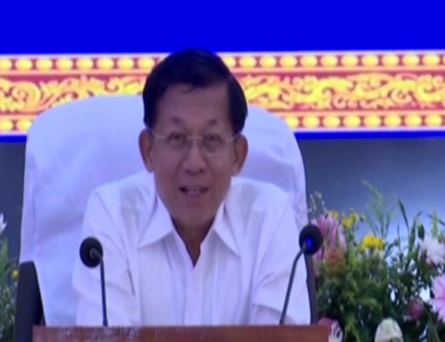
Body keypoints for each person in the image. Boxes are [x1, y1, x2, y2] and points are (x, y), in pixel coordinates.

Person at [72, 48, 310, 326]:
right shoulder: (112, 215)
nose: (194, 163)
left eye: (211, 140)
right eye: (176, 138)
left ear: (238, 155)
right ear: (148, 150)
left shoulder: (270, 218)